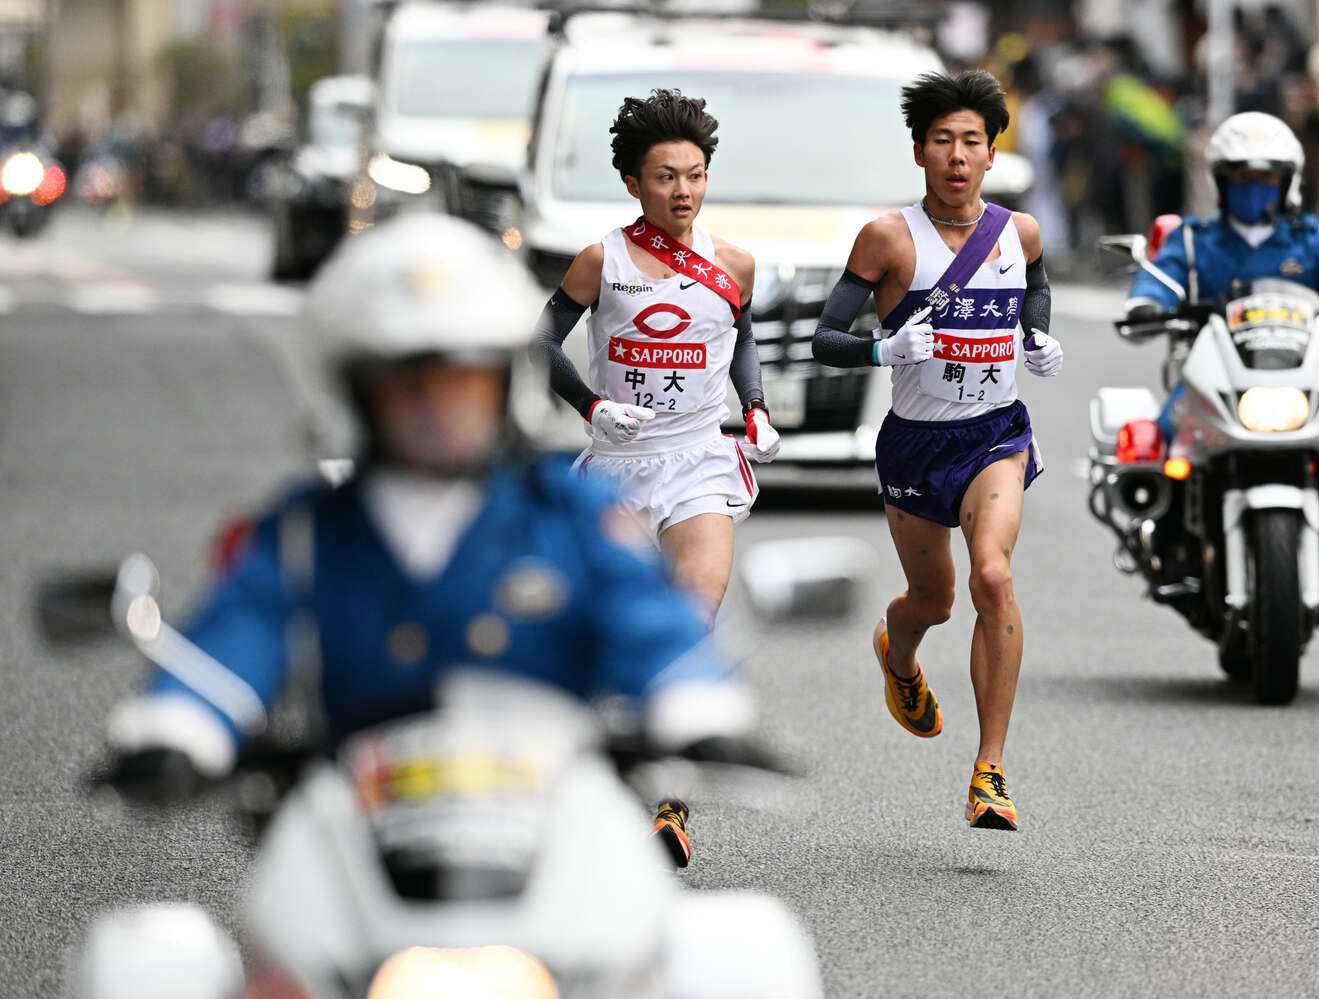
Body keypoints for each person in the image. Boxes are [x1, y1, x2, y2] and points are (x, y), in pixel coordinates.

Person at [101, 215, 755, 866]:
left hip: (546, 830)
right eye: (408, 386)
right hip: (357, 840)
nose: (438, 408)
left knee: (727, 952)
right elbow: (236, 632)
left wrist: (697, 699)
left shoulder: (567, 513)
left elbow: (654, 618)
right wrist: (179, 722)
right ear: (357, 396)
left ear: (505, 387)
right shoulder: (307, 530)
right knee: (159, 958)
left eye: (462, 382)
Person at [812, 70, 1063, 831]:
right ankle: (899, 652)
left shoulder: (1019, 233)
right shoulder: (887, 239)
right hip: (916, 445)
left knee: (993, 574)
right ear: (919, 151)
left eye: (973, 143)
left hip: (995, 434)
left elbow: (1037, 286)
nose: (958, 157)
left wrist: (1037, 334)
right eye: (943, 142)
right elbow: (826, 339)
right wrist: (885, 348)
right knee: (936, 600)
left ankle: (990, 769)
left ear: (993, 156)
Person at [534, 89, 779, 622]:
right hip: (617, 465)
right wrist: (592, 407)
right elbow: (540, 344)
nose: (683, 191)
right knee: (619, 619)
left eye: (695, 175)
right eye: (665, 176)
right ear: (634, 184)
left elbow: (744, 339)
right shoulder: (601, 261)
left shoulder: (735, 265)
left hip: (698, 460)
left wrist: (756, 407)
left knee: (693, 613)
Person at [1118, 110, 1319, 436]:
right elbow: (1161, 277)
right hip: (1212, 379)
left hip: (1302, 375)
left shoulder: (1307, 239)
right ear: (1220, 182)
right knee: (1157, 442)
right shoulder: (1190, 241)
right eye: (1242, 178)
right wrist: (1146, 303)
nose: (1254, 187)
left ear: (1288, 183)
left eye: (1266, 178)